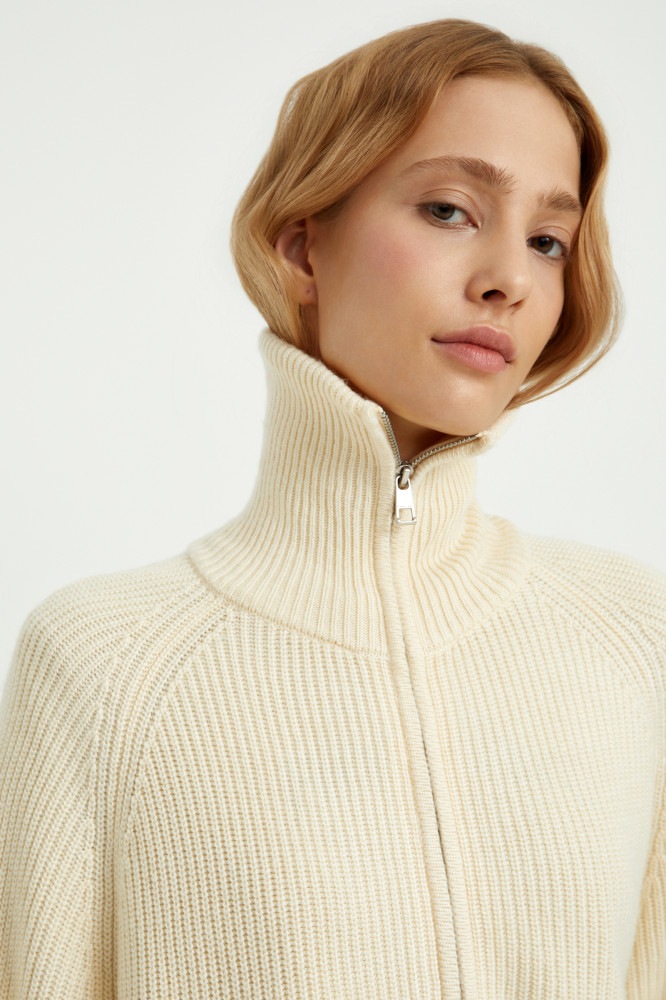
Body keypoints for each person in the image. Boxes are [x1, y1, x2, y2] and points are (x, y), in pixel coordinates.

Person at [1, 18, 665, 1000]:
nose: (511, 279)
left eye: (548, 241)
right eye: (449, 210)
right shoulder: (103, 666)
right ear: (303, 246)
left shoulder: (632, 637)